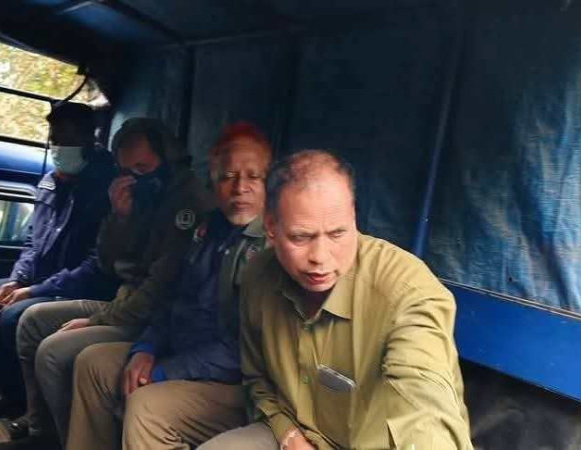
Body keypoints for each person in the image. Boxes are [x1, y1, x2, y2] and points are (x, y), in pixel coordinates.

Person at [198, 149, 472, 450]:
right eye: (301, 237)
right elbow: (257, 381)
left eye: (338, 234)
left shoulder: (407, 291)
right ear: (271, 228)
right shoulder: (258, 276)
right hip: (292, 431)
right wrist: (287, 434)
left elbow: (426, 403)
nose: (320, 257)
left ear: (353, 218)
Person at [0, 117, 213, 450]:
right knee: (31, 321)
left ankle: (64, 441)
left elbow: (158, 290)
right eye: (127, 170)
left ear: (167, 160)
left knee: (55, 351)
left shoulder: (188, 204)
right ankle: (42, 432)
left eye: (142, 167)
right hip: (123, 301)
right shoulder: (139, 196)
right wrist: (119, 217)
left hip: (147, 315)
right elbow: (107, 263)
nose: (135, 177)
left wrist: (97, 320)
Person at [65, 122, 272, 450]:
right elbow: (171, 297)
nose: (240, 188)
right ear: (213, 181)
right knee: (93, 364)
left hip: (234, 378)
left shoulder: (274, 246)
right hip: (181, 350)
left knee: (146, 403)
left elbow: (243, 349)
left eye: (254, 177)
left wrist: (166, 369)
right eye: (227, 177)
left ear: (269, 182)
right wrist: (146, 347)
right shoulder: (206, 230)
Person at [0, 101, 117, 418]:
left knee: (14, 316)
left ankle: (35, 411)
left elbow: (95, 266)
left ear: (89, 140)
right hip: (40, 280)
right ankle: (13, 394)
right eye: (54, 139)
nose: (59, 147)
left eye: (68, 140)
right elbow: (33, 241)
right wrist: (17, 279)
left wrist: (34, 291)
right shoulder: (49, 182)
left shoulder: (105, 190)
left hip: (77, 288)